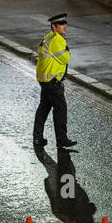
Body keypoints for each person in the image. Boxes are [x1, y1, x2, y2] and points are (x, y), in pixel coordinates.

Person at [33, 13, 76, 149]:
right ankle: (61, 139)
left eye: (65, 23)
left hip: (44, 79)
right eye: (61, 24)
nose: (65, 26)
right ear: (54, 26)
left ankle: (38, 137)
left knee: (44, 108)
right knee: (60, 110)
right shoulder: (57, 40)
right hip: (52, 81)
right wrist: (67, 50)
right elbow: (66, 59)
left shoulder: (48, 37)